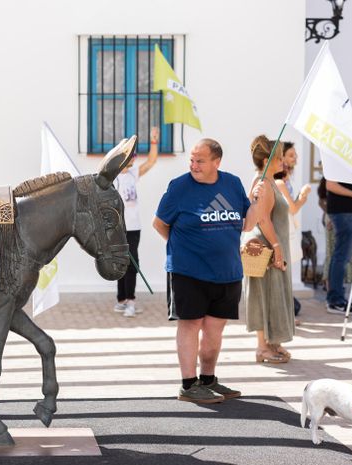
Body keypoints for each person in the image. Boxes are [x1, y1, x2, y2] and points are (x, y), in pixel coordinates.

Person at [153, 138, 265, 404]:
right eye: (192, 159)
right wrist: (184, 247)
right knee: (190, 325)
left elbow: (247, 224)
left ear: (217, 162)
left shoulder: (232, 183)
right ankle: (188, 385)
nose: (194, 165)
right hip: (187, 272)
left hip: (227, 272)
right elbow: (159, 224)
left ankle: (208, 380)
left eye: (200, 160)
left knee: (215, 330)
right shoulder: (179, 187)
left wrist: (257, 201)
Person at [244, 136, 296, 365]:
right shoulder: (263, 183)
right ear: (267, 160)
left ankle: (273, 343)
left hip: (273, 247)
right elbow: (263, 219)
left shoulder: (269, 180)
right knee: (265, 296)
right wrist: (277, 248)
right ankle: (263, 348)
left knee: (275, 295)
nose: (283, 161)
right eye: (279, 157)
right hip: (266, 249)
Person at [114, 127, 160, 317]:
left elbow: (151, 161)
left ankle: (129, 300)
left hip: (134, 227)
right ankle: (124, 301)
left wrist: (154, 141)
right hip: (119, 227)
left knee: (132, 263)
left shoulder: (133, 172)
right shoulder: (114, 177)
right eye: (130, 155)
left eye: (134, 154)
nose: (134, 158)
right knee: (121, 263)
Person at [273, 141, 311, 321]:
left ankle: (286, 313)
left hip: (284, 229)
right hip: (281, 231)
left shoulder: (283, 180)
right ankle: (284, 315)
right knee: (282, 272)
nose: (294, 158)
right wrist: (303, 197)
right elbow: (293, 208)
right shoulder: (279, 182)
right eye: (290, 155)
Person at [325, 180, 352, 314]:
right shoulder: (339, 160)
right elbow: (331, 185)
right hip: (344, 212)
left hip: (347, 212)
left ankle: (335, 298)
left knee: (340, 256)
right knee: (341, 257)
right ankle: (335, 300)